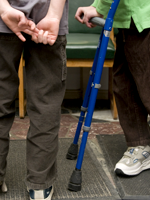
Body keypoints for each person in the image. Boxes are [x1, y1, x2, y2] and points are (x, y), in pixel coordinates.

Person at [0, 0, 68, 199]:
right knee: (45, 105)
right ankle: (40, 186)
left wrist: (3, 7)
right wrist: (54, 15)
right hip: (47, 17)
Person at [75, 1, 150, 176]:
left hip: (142, 16)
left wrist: (99, 8)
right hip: (127, 19)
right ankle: (140, 145)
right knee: (125, 85)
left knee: (146, 85)